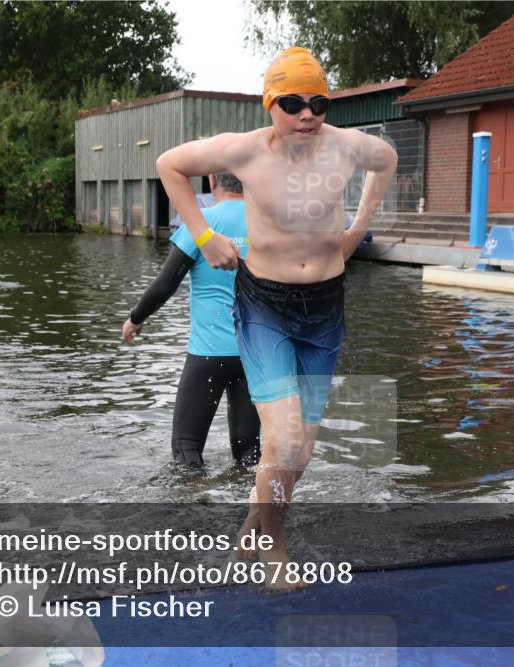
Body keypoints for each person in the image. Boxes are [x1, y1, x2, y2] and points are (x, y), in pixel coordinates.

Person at [155, 47, 397, 588]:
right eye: (293, 103)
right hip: (265, 304)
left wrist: (359, 227)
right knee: (283, 442)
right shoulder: (243, 153)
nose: (307, 114)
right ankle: (274, 553)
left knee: (301, 451)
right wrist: (203, 234)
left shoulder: (348, 147)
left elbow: (387, 161)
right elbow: (168, 165)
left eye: (318, 103)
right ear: (271, 104)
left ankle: (253, 524)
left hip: (325, 308)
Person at [122, 172, 260, 468]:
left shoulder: (201, 223)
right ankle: (252, 511)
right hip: (257, 354)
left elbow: (165, 284)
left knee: (187, 448)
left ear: (212, 181)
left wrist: (136, 318)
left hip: (209, 353)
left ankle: (194, 508)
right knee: (250, 453)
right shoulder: (268, 223)